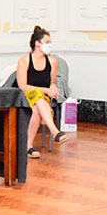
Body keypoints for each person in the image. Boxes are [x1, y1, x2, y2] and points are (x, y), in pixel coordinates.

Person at [16, 25, 69, 159]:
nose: (50, 45)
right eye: (47, 42)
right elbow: (22, 86)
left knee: (36, 110)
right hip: (26, 96)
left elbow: (52, 82)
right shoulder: (24, 60)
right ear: (37, 43)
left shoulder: (52, 61)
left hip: (42, 99)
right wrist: (46, 90)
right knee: (37, 99)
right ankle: (55, 131)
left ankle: (27, 147)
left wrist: (53, 88)